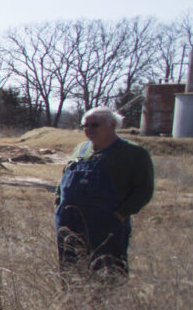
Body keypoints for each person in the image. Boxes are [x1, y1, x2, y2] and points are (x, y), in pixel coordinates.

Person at [54, 105, 153, 278]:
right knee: (70, 272)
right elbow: (63, 180)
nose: (88, 129)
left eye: (94, 125)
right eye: (85, 125)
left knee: (106, 273)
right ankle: (72, 303)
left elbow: (143, 190)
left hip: (105, 226)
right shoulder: (80, 149)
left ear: (112, 125)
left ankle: (106, 304)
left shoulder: (133, 154)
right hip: (68, 223)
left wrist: (121, 214)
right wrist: (58, 205)